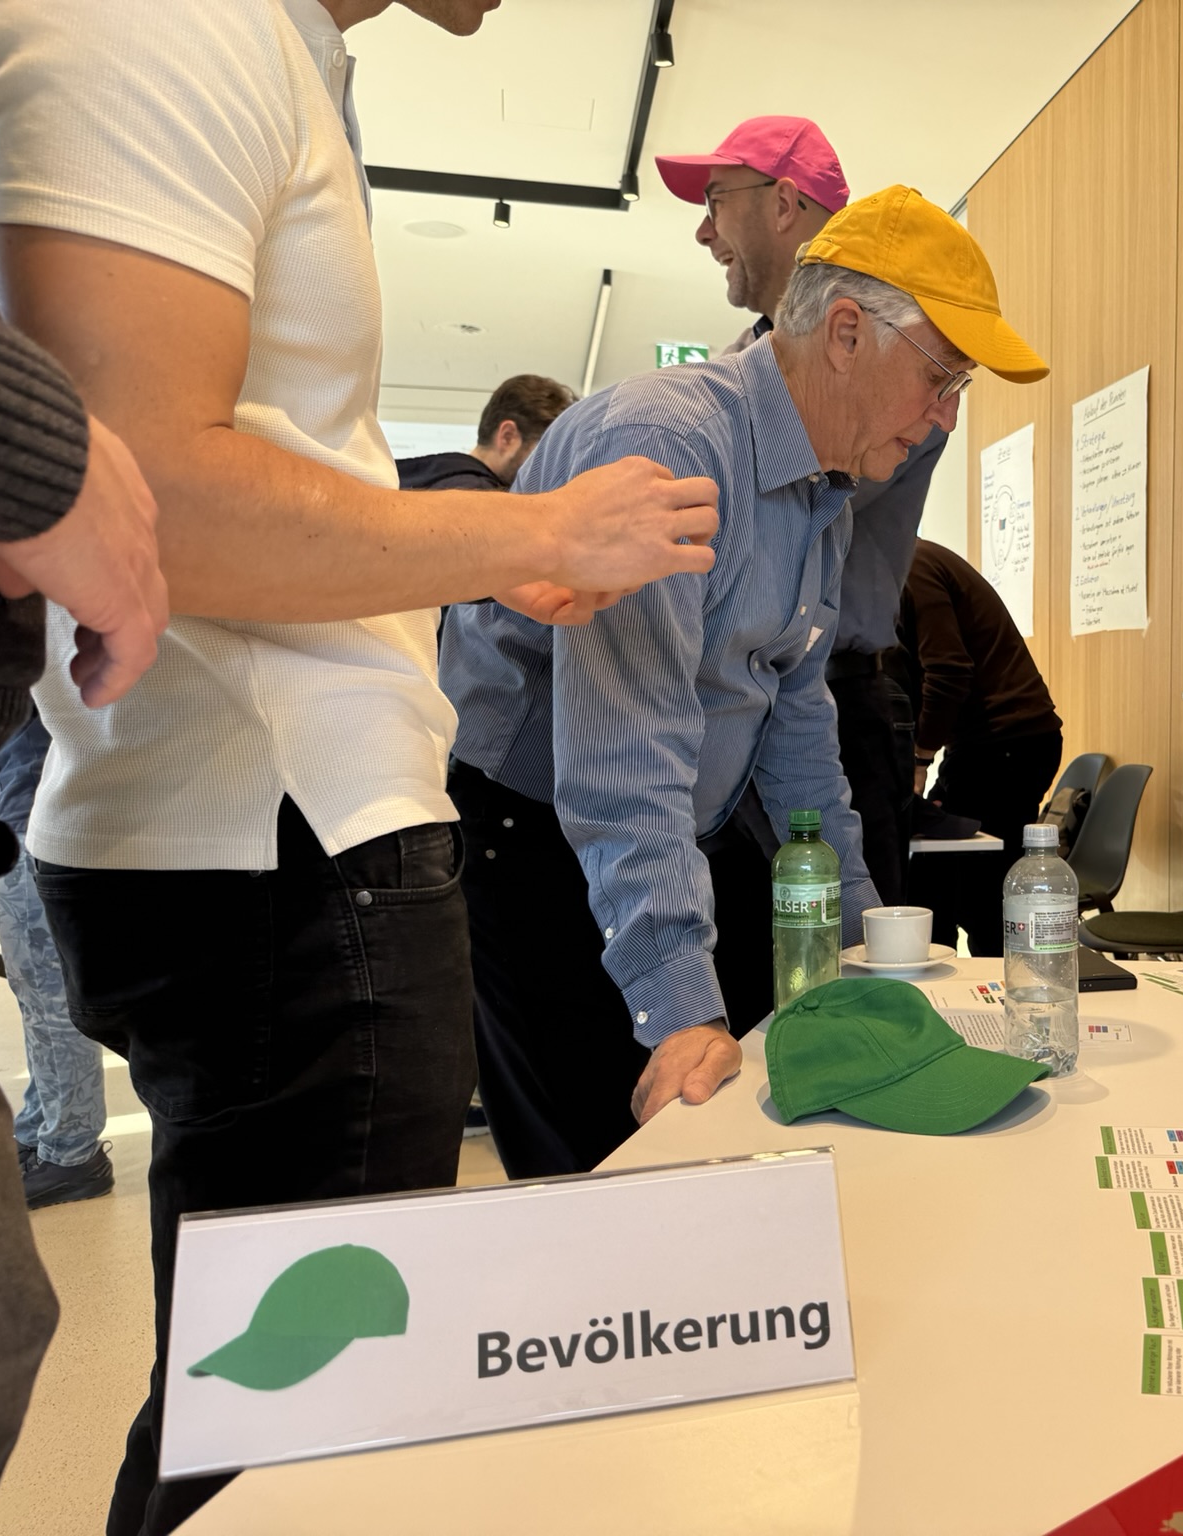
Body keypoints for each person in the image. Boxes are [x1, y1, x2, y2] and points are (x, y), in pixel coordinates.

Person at [0, 3, 720, 1529]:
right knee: (292, 1445)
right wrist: (525, 529)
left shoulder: (267, 41)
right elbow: (144, 484)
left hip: (262, 832)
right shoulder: (172, 16)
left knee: (260, 1413)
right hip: (282, 843)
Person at [443, 185, 1047, 1178]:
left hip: (666, 829)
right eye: (941, 377)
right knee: (607, 1167)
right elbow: (623, 756)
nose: (946, 415)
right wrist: (676, 1005)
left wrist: (860, 939)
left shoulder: (824, 487)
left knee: (721, 1137)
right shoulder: (669, 446)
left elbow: (796, 718)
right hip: (545, 838)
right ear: (845, 333)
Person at [0, 218, 164, 1536]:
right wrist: (38, 443)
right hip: (34, 794)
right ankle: (65, 1134)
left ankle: (66, 1137)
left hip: (27, 792)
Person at [659, 117, 948, 907]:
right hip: (732, 704)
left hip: (831, 703)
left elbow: (782, 496)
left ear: (784, 203)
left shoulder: (897, 370)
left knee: (841, 942)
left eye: (717, 200)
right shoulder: (725, 383)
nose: (704, 230)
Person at [897, 537, 1063, 953]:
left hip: (1007, 743)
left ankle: (999, 985)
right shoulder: (906, 564)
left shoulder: (911, 565)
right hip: (992, 743)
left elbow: (949, 672)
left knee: (982, 897)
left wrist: (920, 757)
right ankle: (940, 973)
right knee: (936, 876)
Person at [0, 715, 112, 1208]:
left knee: (52, 1006)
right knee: (38, 1002)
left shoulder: (22, 666)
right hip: (29, 825)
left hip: (36, 830)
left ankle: (71, 1154)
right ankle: (40, 1130)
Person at [395, 372, 576, 492]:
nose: (551, 472)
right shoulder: (478, 497)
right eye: (545, 455)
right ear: (508, 437)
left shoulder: (425, 477)